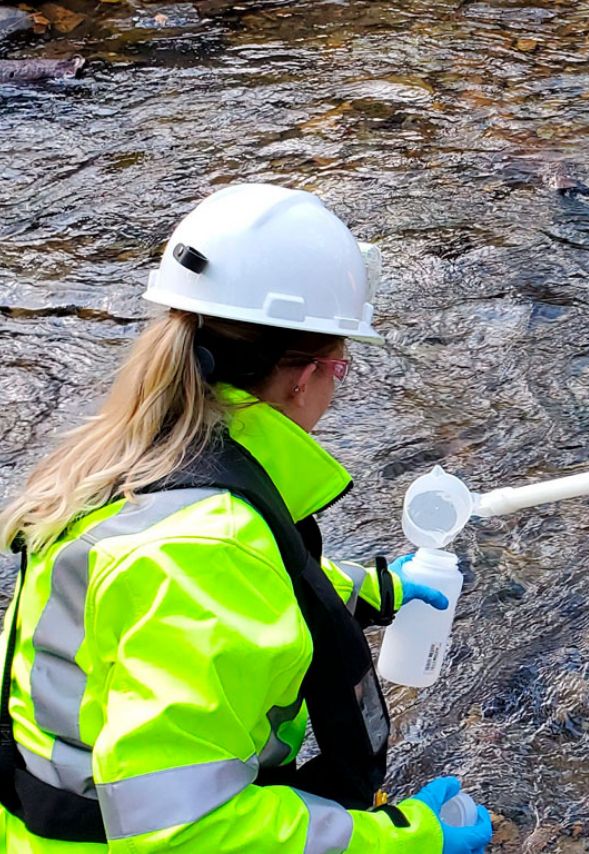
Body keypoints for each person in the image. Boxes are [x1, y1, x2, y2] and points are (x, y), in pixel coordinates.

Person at [0, 184, 495, 852]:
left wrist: (369, 590)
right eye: (341, 366)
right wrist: (405, 840)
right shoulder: (208, 550)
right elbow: (185, 832)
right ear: (307, 374)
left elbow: (197, 599)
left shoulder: (137, 459)